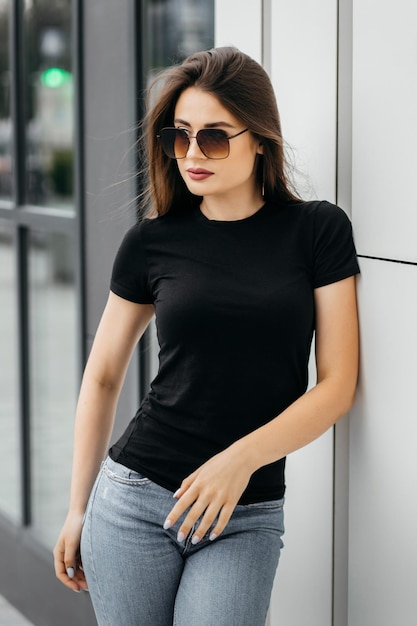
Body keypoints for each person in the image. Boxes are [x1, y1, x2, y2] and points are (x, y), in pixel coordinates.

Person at [53, 46, 360, 625]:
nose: (193, 154)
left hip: (245, 513)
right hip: (136, 501)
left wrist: (239, 461)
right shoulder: (152, 241)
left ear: (260, 138)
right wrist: (76, 509)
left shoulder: (317, 231)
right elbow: (103, 376)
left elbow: (337, 385)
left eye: (214, 137)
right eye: (181, 136)